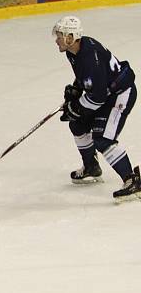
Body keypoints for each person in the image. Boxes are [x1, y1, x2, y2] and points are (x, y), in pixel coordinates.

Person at [54, 16, 141, 202]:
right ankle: (91, 167)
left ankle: (133, 181)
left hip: (120, 95)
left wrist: (76, 107)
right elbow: (88, 80)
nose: (57, 39)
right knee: (77, 125)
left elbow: (98, 97)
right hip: (105, 94)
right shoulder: (73, 51)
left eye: (60, 35)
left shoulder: (88, 57)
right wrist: (76, 88)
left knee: (102, 139)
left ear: (71, 37)